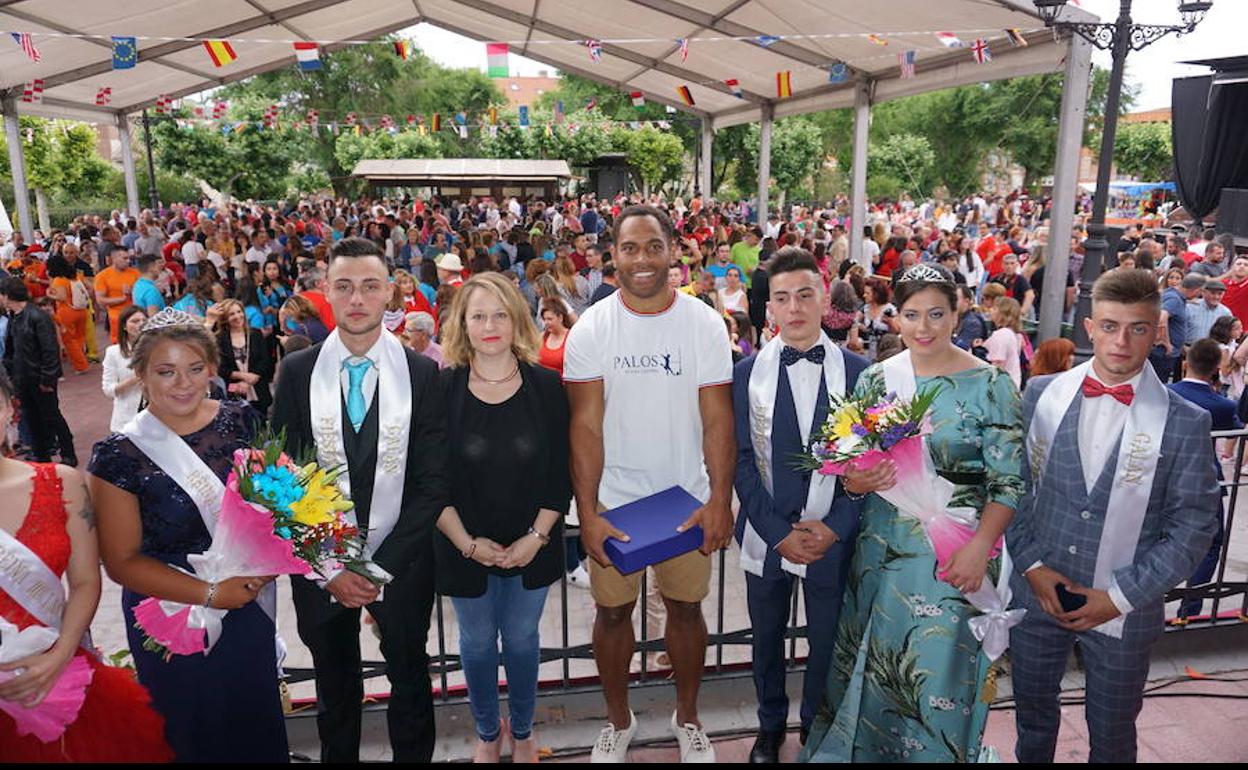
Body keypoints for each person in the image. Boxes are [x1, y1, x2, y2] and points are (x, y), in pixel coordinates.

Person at [804, 263, 1024, 763]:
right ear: (895, 317)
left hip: (955, 556)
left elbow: (1009, 482)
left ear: (957, 313)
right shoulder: (877, 379)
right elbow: (851, 468)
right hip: (880, 555)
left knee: (937, 677)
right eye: (911, 315)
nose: (924, 327)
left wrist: (978, 548)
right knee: (874, 668)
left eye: (936, 314)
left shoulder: (991, 385)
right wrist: (856, 481)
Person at [1007, 269, 1220, 763]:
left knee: (1113, 736)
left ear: (1157, 331)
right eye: (1109, 326)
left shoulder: (1186, 422)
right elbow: (1011, 487)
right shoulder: (1041, 394)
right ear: (1089, 327)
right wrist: (1032, 567)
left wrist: (1119, 597)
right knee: (1032, 722)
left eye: (1137, 328)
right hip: (1037, 593)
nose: (1121, 342)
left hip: (1125, 606)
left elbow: (1193, 527)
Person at [564, 205, 734, 762]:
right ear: (612, 255)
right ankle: (618, 721)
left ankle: (688, 718)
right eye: (630, 248)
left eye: (654, 246)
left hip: (686, 501)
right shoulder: (592, 328)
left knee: (686, 610)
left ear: (673, 251)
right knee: (612, 615)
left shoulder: (704, 323)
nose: (642, 259)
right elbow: (585, 427)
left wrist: (719, 499)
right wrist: (588, 513)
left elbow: (718, 419)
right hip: (616, 504)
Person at [271, 236, 447, 763]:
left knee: (410, 679)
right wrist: (331, 566)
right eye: (344, 286)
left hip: (402, 560)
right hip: (320, 565)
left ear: (390, 292)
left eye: (370, 286)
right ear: (325, 291)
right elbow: (282, 478)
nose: (356, 299)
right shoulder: (298, 371)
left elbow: (433, 481)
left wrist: (376, 567)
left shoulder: (421, 372)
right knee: (334, 685)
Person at [88, 310, 287, 762]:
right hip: (170, 611)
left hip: (246, 599)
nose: (183, 383)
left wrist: (268, 563)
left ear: (212, 368)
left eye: (195, 368)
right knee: (191, 733)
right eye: (166, 371)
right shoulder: (119, 454)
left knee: (254, 726)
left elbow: (276, 504)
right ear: (140, 375)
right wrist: (211, 593)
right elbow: (121, 561)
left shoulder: (242, 421)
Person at [731, 247, 878, 762]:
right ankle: (769, 725)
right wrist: (778, 533)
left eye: (804, 294)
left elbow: (871, 464)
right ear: (769, 306)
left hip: (833, 538)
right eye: (782, 298)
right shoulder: (746, 374)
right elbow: (741, 462)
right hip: (768, 533)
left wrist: (836, 525)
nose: (794, 308)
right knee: (766, 639)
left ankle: (818, 725)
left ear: (825, 298)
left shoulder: (860, 373)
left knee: (827, 642)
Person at [0, 368, 172, 762]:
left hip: (57, 674)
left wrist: (59, 655)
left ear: (11, 408)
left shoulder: (61, 483)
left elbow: (84, 581)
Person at [433, 273, 571, 763]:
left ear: (517, 320)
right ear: (462, 324)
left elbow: (561, 472)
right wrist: (467, 543)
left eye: (500, 314)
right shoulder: (442, 388)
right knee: (474, 644)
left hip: (532, 542)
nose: (490, 326)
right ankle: (488, 732)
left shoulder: (547, 386)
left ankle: (525, 729)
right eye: (478, 316)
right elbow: (430, 478)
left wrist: (536, 537)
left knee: (521, 639)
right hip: (461, 543)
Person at [1168, 337, 1240, 621]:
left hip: (1164, 476)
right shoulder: (1221, 405)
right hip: (1205, 479)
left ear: (1186, 362)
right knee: (1211, 543)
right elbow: (1237, 430)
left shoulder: (1164, 393)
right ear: (1215, 369)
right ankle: (1189, 609)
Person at [2, 279, 77, 467]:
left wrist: (47, 378)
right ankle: (41, 454)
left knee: (52, 416)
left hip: (40, 378)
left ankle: (68, 453)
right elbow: (11, 350)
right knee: (31, 417)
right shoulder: (14, 317)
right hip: (22, 378)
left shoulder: (37, 316)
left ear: (7, 296)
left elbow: (50, 350)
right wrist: (12, 375)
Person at [211, 299, 274, 416]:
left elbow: (265, 361)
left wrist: (249, 381)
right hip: (233, 393)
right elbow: (220, 368)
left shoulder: (256, 334)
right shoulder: (219, 339)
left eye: (239, 312)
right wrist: (242, 376)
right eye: (232, 314)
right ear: (225, 318)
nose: (237, 316)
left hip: (259, 391)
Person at [1151, 273, 1203, 383]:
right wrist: (1165, 342)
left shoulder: (1174, 295)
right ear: (1196, 290)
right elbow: (1161, 318)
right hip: (1162, 353)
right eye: (1200, 291)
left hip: (1166, 352)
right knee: (1158, 384)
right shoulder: (1175, 299)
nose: (1200, 295)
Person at [102, 306, 147, 433]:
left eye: (144, 320)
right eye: (135, 321)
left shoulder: (157, 349)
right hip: (128, 418)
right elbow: (108, 389)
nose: (141, 324)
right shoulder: (113, 353)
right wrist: (133, 380)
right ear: (124, 326)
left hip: (157, 417)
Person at [45, 254, 91, 374]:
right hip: (81, 309)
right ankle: (81, 359)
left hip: (66, 311)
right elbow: (90, 287)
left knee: (69, 340)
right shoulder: (76, 276)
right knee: (80, 337)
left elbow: (62, 297)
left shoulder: (59, 280)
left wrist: (49, 294)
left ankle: (81, 365)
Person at [94, 247, 139, 344]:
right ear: (114, 259)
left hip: (136, 315)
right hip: (117, 318)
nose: (128, 261)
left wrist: (133, 291)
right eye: (124, 258)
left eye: (129, 258)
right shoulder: (102, 276)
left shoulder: (135, 273)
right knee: (120, 345)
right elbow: (100, 300)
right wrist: (122, 298)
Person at [985, 296, 1024, 387]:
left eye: (995, 308)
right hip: (1013, 383)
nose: (991, 310)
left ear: (1002, 314)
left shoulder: (1000, 334)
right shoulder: (1015, 334)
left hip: (1002, 387)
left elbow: (997, 367)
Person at [1185, 279, 1232, 345]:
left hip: (1214, 349)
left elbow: (1229, 335)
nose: (1216, 297)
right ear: (1203, 292)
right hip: (1189, 348)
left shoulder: (1226, 312)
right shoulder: (1190, 308)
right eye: (1213, 293)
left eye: (1220, 294)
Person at [538, 297, 573, 376]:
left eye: (550, 319)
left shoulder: (571, 337)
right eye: (544, 319)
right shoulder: (542, 336)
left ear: (560, 318)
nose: (546, 323)